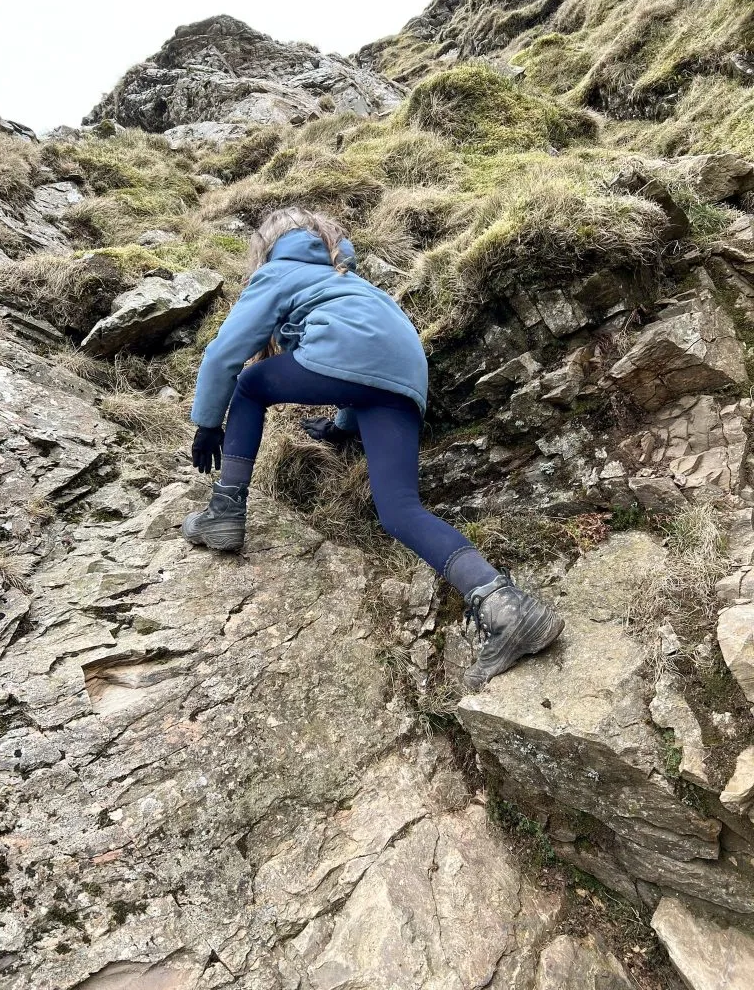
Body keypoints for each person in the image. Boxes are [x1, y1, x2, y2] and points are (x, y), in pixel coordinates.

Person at [183, 207, 564, 689]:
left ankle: (225, 510)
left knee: (252, 382)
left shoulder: (280, 271)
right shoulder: (356, 284)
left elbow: (223, 354)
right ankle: (509, 609)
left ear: (270, 247)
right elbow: (369, 363)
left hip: (355, 365)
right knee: (400, 510)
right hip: (405, 380)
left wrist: (207, 424)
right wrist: (343, 428)